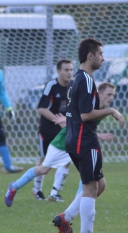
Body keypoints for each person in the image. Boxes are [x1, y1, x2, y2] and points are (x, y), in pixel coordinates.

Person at [52, 37, 125, 233]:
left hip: (76, 139)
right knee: (91, 188)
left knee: (99, 185)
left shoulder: (77, 78)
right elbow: (85, 115)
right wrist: (112, 111)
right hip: (84, 141)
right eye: (100, 54)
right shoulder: (85, 80)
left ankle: (65, 217)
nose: (103, 58)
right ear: (90, 55)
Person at [4, 82, 116, 207]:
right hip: (63, 143)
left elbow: (88, 130)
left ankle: (77, 204)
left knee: (87, 170)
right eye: (109, 94)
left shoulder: (102, 110)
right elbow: (77, 124)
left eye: (113, 95)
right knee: (43, 169)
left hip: (80, 143)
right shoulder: (88, 104)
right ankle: (14, 187)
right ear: (99, 94)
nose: (111, 98)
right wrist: (100, 136)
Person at [32, 59, 73, 201]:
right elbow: (42, 109)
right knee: (44, 161)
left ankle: (54, 193)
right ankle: (37, 190)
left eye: (71, 69)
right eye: (66, 70)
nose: (69, 73)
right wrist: (58, 120)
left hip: (63, 129)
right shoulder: (52, 86)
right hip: (48, 129)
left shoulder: (73, 87)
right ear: (58, 71)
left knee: (67, 159)